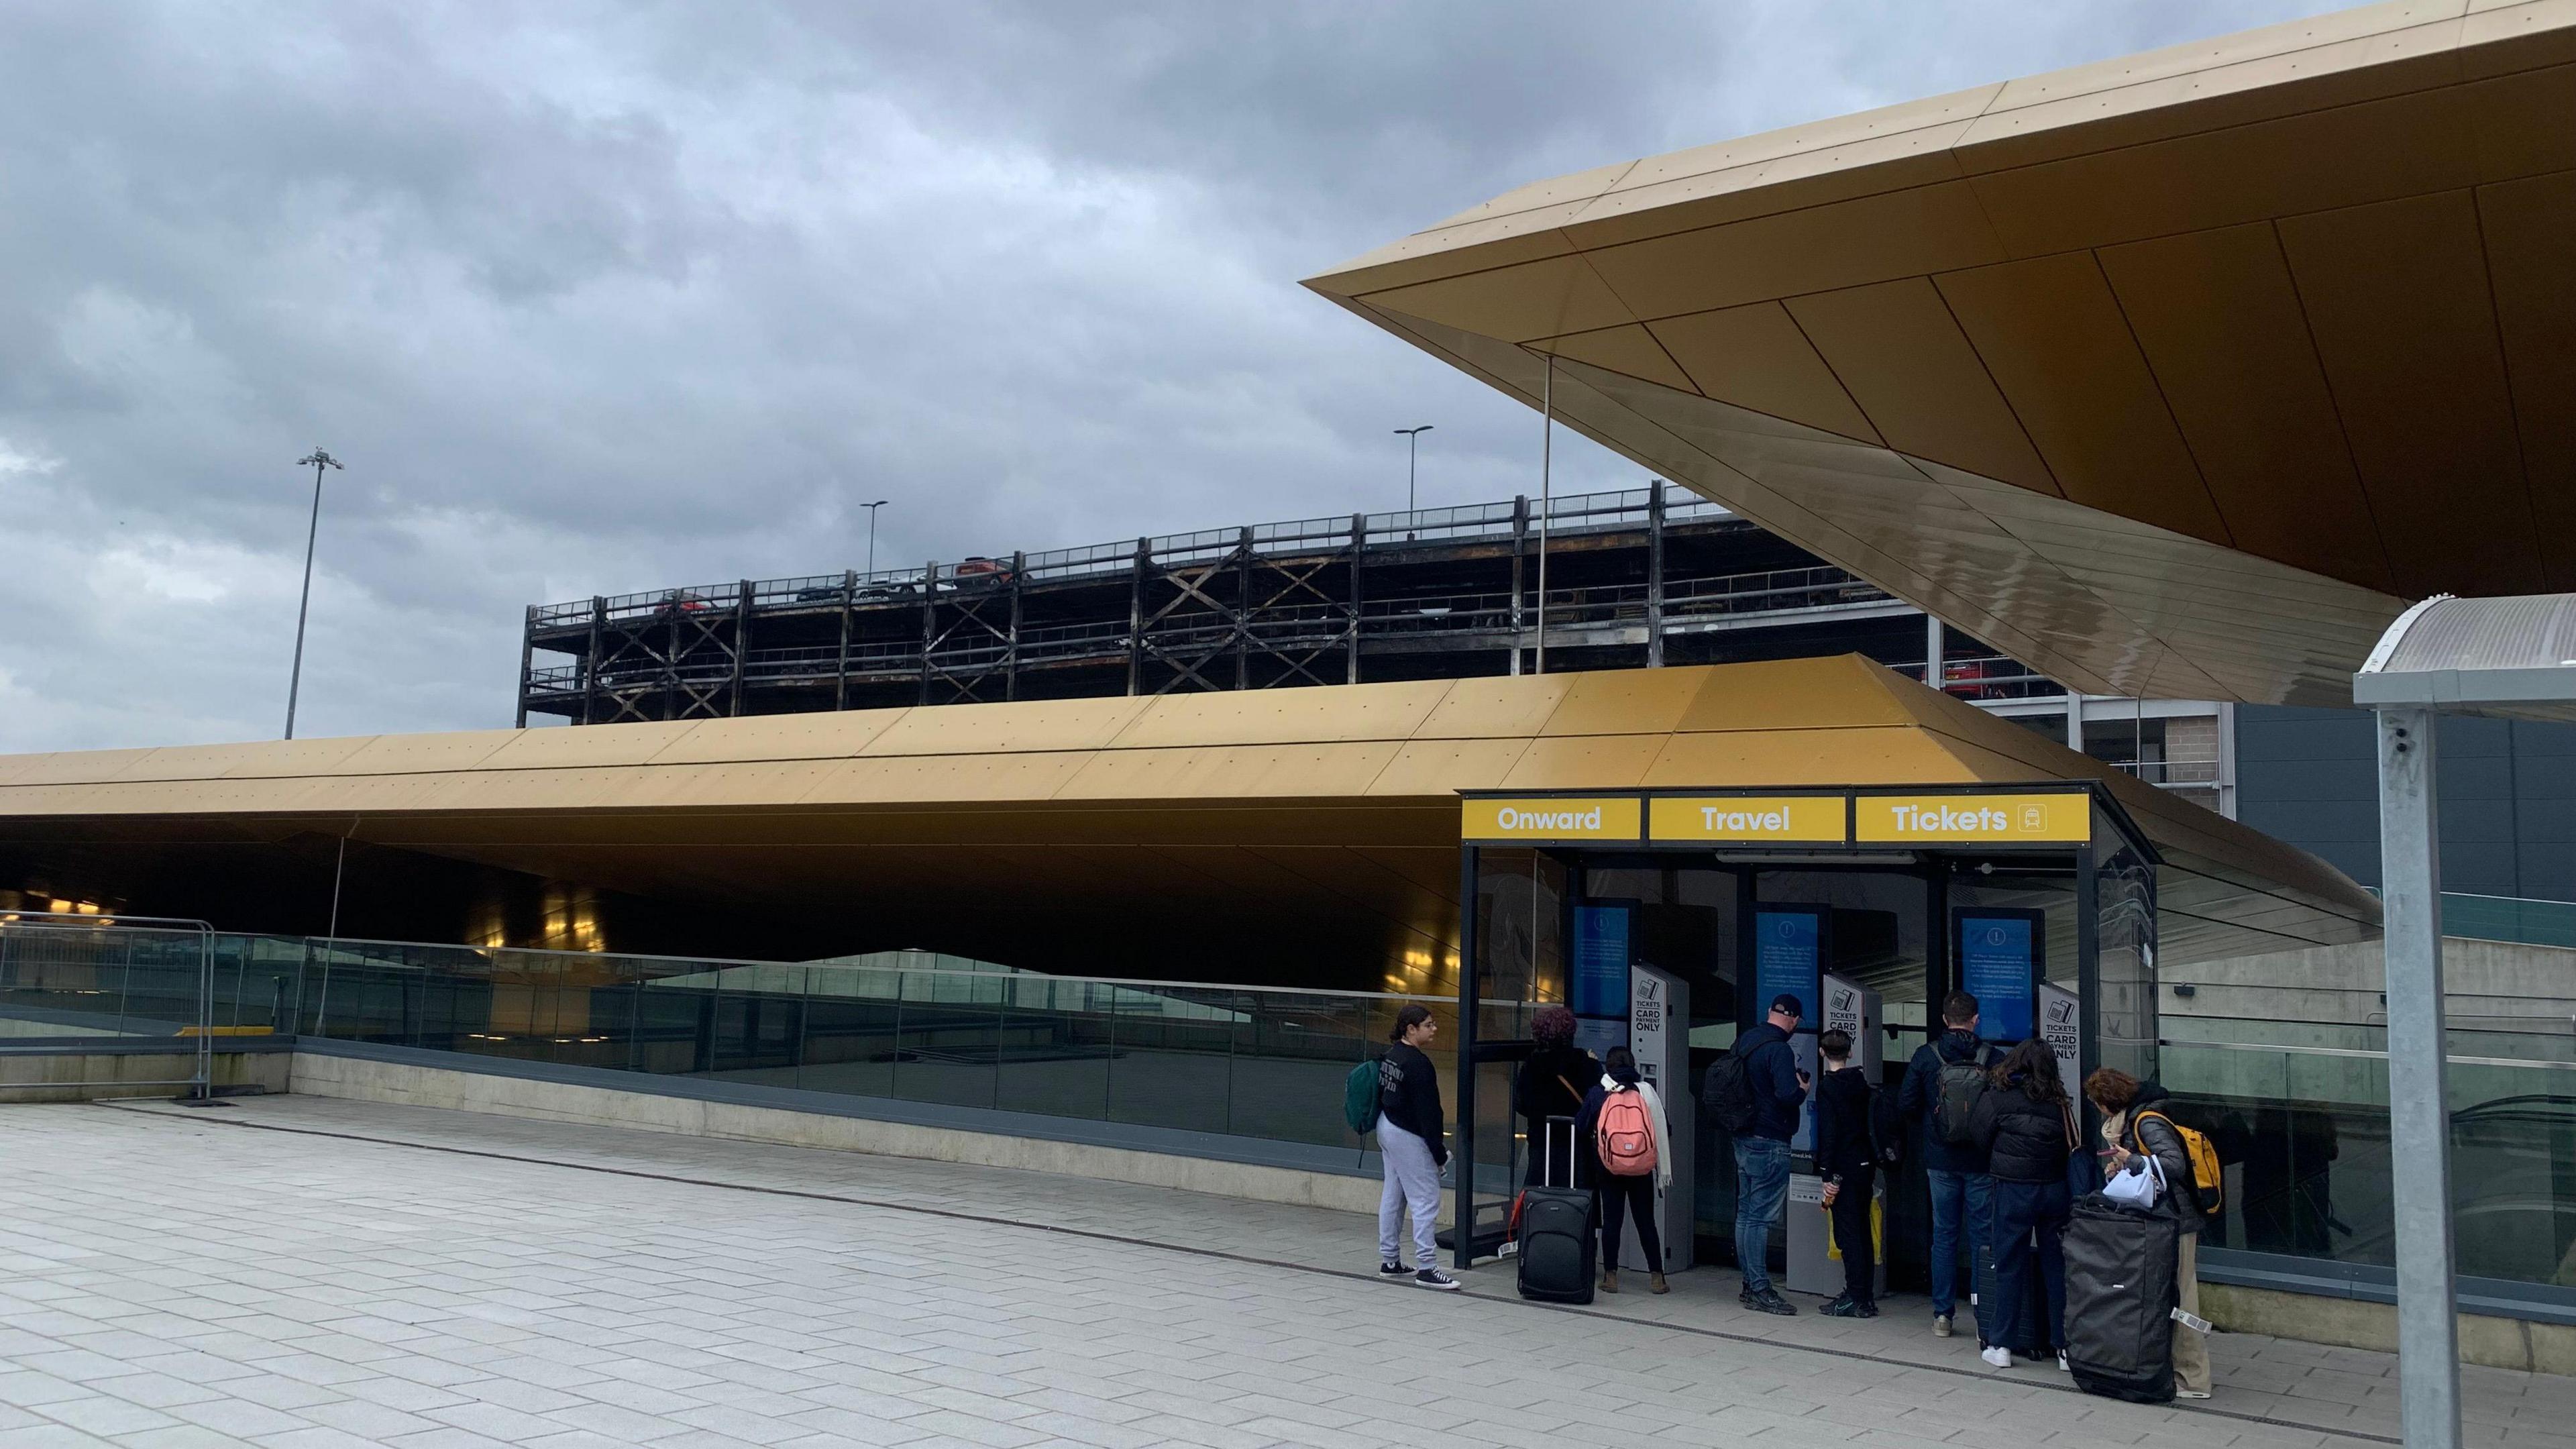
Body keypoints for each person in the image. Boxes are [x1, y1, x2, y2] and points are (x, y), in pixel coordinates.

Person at [2086, 1067, 2210, 1398]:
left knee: (2184, 1297)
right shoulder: (2136, 1118)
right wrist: (2124, 1165)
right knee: (2172, 1295)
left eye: (2097, 1102)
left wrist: (2135, 1161)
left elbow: (2173, 1164)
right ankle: (2175, 1368)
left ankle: (2194, 1379)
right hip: (2165, 1221)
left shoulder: (2147, 1121)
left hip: (2177, 1221)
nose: (2096, 1109)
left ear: (2109, 1102)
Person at [1896, 989, 1998, 1341]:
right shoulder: (1992, 1056)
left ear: (1944, 1019)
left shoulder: (1927, 1056)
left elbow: (1906, 1103)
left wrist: (1931, 1124)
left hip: (1940, 1160)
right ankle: (1986, 1311)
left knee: (1944, 1235)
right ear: (1976, 1019)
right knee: (1983, 1237)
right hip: (1981, 1161)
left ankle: (1943, 1314)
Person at [1972, 1037, 2076, 1369]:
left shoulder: (1998, 1097)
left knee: (2009, 1264)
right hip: (2055, 1190)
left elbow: (1978, 1135)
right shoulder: (2060, 1102)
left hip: (2013, 1189)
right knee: (2057, 1267)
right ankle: (2063, 1348)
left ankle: (2001, 1344)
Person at [1733, 993, 1810, 1316]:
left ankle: (1750, 1284)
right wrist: (1802, 1089)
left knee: (1745, 1213)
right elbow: (1786, 1094)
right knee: (1760, 1218)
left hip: (1744, 1136)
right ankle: (1761, 1288)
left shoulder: (1747, 1040)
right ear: (1792, 1019)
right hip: (1771, 1140)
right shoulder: (1779, 1049)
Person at [1376, 1004, 1460, 1290]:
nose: (1434, 1029)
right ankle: (1427, 1267)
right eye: (1428, 1025)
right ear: (1411, 1029)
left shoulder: (1391, 1056)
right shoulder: (1418, 1064)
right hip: (1408, 1134)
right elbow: (1430, 1114)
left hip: (1387, 1125)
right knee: (1425, 1199)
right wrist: (1438, 1152)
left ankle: (1390, 1261)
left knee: (1394, 1193)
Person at [1576, 1046, 1672, 1295]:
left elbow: (1581, 1125)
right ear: (1632, 1064)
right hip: (1641, 1168)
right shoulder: (1646, 1093)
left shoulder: (1599, 1093)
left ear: (1608, 1066)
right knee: (1645, 1222)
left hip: (1609, 1168)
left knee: (1612, 1221)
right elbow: (1666, 1129)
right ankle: (1657, 1278)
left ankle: (1611, 1277)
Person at [1812, 1028, 1878, 1318]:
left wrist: (1826, 1175)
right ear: (1850, 1053)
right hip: (1864, 1164)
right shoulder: (1860, 1083)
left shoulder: (1828, 1088)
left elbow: (1829, 1133)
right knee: (1862, 1231)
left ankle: (1855, 1297)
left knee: (1848, 1234)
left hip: (1842, 1168)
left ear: (1822, 1053)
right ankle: (1865, 1295)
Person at [1515, 1006, 1602, 1187]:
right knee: (1579, 1199)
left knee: (1542, 1197)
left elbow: (1521, 1105)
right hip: (1578, 1145)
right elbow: (1598, 1105)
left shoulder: (1532, 1065)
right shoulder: (1588, 1064)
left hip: (1542, 1143)